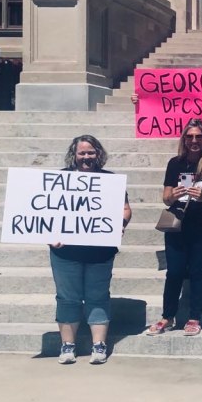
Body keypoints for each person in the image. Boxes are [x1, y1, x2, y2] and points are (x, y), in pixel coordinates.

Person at [50, 135, 132, 365]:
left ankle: (99, 345)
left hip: (100, 252)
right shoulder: (59, 180)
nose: (86, 157)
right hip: (65, 253)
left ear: (98, 154)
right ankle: (68, 346)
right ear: (74, 155)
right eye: (82, 153)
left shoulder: (110, 181)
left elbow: (125, 209)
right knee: (67, 298)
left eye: (91, 152)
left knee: (98, 296)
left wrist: (120, 224)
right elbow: (46, 213)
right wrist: (49, 234)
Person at [147, 119, 202, 337]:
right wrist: (172, 195)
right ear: (184, 139)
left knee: (198, 271)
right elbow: (165, 197)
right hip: (178, 224)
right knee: (174, 271)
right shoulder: (175, 163)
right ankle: (167, 316)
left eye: (199, 137)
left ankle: (194, 317)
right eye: (190, 137)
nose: (194, 141)